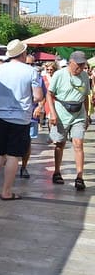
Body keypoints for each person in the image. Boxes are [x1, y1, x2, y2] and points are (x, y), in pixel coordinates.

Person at [0, 40, 43, 200]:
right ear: (23, 54)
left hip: (0, 115)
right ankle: (6, 192)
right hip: (20, 117)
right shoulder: (31, 71)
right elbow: (38, 96)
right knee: (13, 155)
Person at [47, 50, 91, 190]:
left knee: (78, 143)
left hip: (78, 114)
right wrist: (53, 114)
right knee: (60, 143)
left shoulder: (84, 76)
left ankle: (79, 176)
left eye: (82, 65)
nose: (80, 68)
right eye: (78, 65)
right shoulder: (59, 74)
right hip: (61, 114)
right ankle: (57, 171)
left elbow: (85, 96)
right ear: (70, 63)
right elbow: (49, 94)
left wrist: (87, 115)